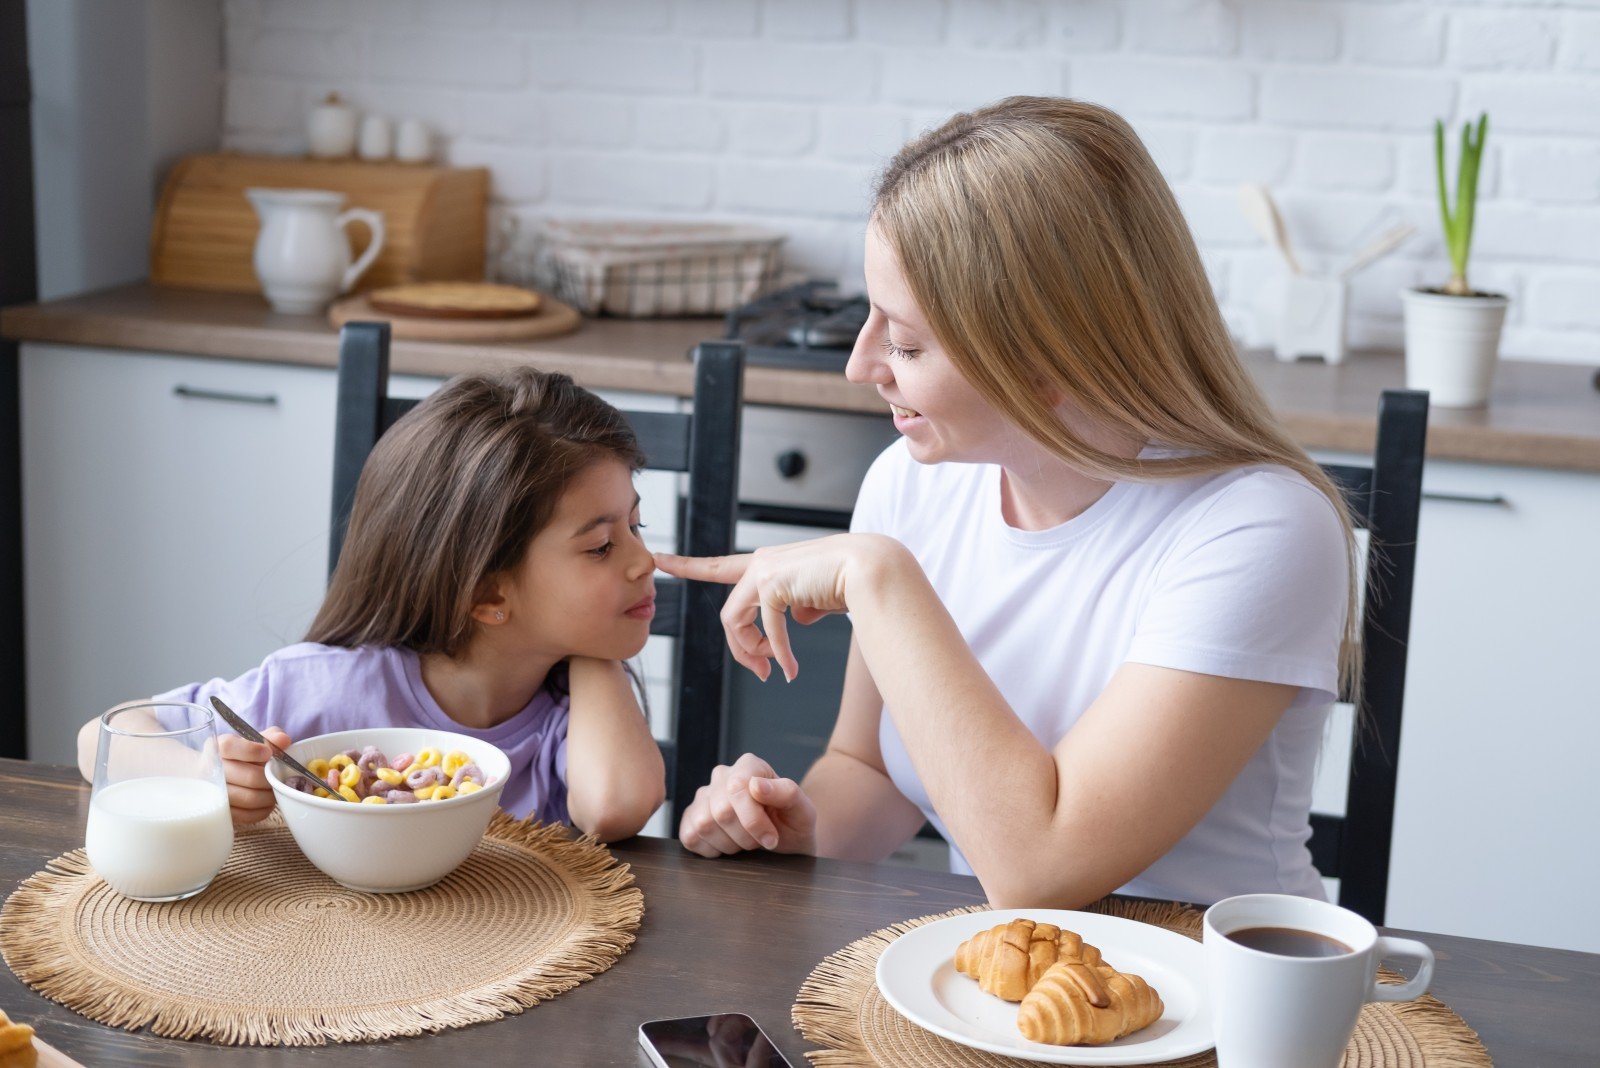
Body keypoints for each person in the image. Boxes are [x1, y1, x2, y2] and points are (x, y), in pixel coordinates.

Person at [658, 96, 1358, 908]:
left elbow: (1040, 870)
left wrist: (876, 578)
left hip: (1226, 997)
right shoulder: (912, 481)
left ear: (1046, 354)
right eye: (871, 322)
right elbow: (876, 770)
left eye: (906, 342)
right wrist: (795, 834)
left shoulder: (1259, 529)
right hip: (1014, 987)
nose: (861, 366)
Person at [75, 367, 665, 842]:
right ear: (486, 594)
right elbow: (101, 738)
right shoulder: (323, 688)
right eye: (602, 546)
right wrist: (202, 778)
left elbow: (616, 805)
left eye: (637, 525)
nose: (645, 561)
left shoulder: (570, 713)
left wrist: (597, 648)